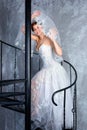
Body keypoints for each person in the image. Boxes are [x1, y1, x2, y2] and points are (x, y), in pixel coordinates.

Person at [22, 10, 73, 130]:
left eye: (38, 27)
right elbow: (24, 30)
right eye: (35, 29)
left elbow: (60, 53)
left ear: (42, 26)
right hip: (45, 69)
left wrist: (53, 38)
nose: (37, 31)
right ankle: (36, 111)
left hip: (53, 69)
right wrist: (32, 17)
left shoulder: (48, 38)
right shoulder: (37, 39)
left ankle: (45, 117)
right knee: (35, 86)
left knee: (51, 95)